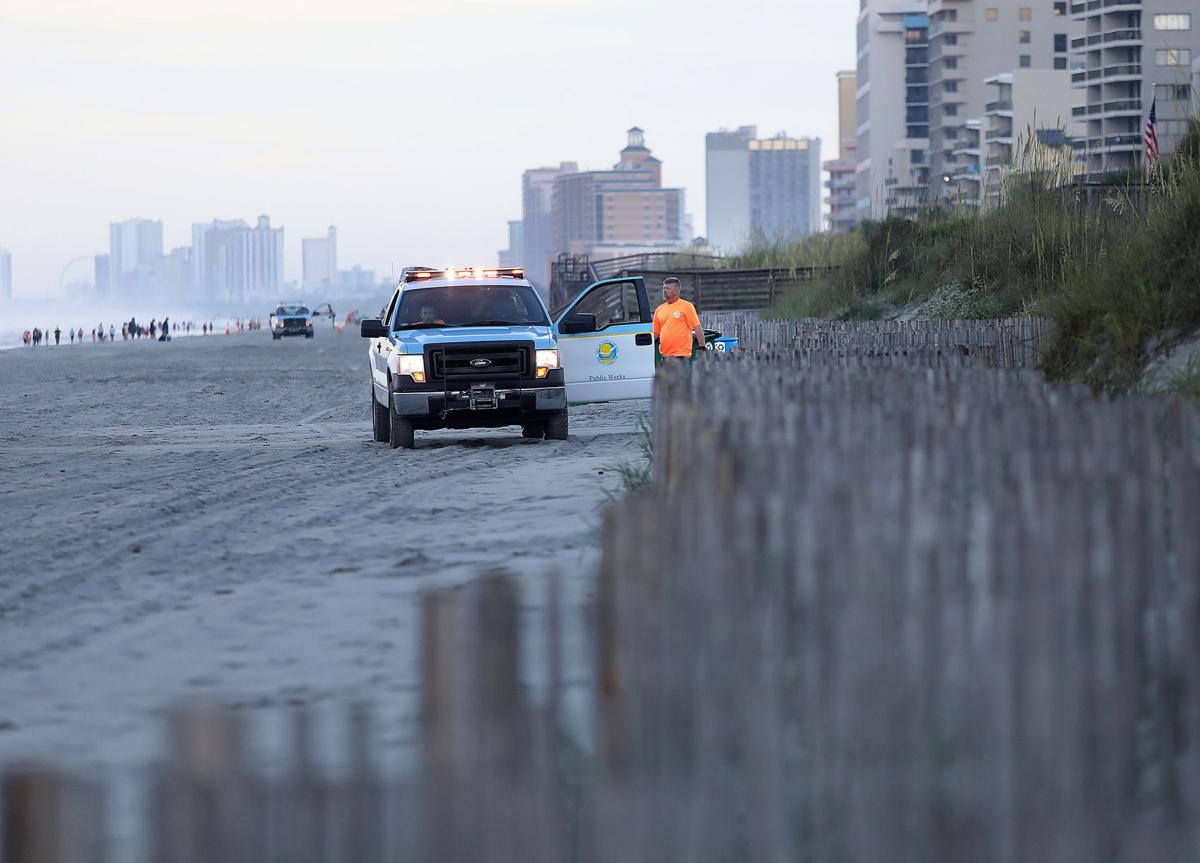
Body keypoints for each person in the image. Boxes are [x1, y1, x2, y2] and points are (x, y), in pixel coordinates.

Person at [652, 277, 704, 364]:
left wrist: (702, 346)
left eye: (668, 288)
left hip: (681, 355)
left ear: (676, 291)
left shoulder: (686, 306)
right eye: (664, 288)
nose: (664, 291)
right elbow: (655, 333)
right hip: (665, 356)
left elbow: (697, 327)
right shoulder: (659, 309)